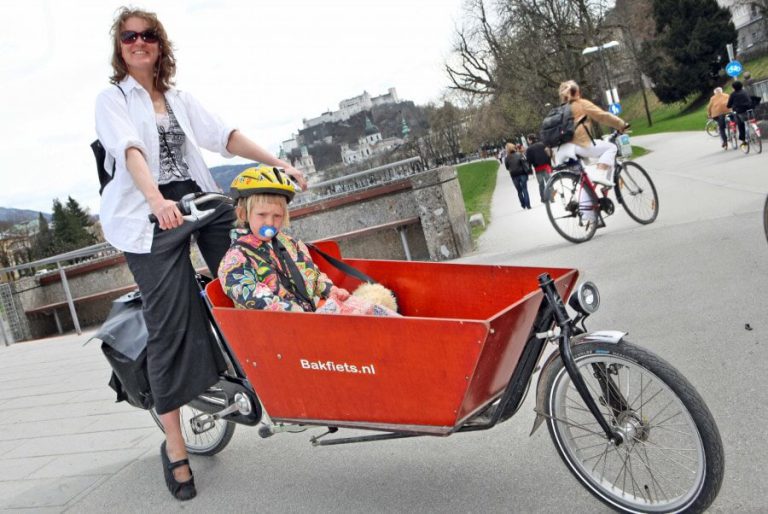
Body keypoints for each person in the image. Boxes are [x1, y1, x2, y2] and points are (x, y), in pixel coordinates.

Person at [94, 8, 306, 501]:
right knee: (169, 325)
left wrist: (279, 163)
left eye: (148, 35)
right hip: (147, 218)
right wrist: (156, 201)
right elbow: (130, 151)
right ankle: (175, 446)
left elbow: (225, 137)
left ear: (160, 44)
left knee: (251, 272)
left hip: (199, 200)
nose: (139, 42)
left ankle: (268, 371)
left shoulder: (179, 99)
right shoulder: (112, 100)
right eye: (129, 36)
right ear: (120, 47)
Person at [218, 166, 398, 316]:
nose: (270, 223)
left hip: (311, 315)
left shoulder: (290, 244)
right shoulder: (235, 260)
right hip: (280, 327)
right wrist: (300, 313)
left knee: (371, 311)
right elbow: (255, 298)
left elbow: (312, 275)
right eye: (262, 215)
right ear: (243, 214)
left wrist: (330, 290)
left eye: (277, 216)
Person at [556, 80, 629, 186]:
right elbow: (602, 116)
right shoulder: (581, 104)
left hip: (564, 149)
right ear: (577, 91)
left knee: (585, 183)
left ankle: (589, 194)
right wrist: (621, 125)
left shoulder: (560, 109)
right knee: (611, 147)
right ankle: (600, 174)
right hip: (580, 145)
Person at [525, 134, 553, 202]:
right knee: (549, 182)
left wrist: (530, 168)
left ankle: (543, 198)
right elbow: (548, 154)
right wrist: (550, 164)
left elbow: (529, 160)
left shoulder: (529, 149)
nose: (527, 141)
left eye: (528, 139)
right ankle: (552, 197)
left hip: (537, 168)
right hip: (546, 166)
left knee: (541, 184)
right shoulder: (543, 144)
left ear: (530, 140)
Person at [504, 142, 532, 210]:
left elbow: (507, 167)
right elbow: (524, 163)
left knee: (519, 191)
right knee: (525, 189)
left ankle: (523, 204)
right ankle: (528, 205)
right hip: (522, 174)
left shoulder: (507, 158)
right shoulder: (520, 154)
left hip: (514, 175)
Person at [727, 81, 753, 149]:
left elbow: (728, 105)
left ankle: (743, 140)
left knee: (740, 125)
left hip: (740, 111)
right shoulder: (745, 92)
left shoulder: (733, 94)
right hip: (749, 109)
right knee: (750, 120)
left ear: (733, 87)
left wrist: (731, 106)